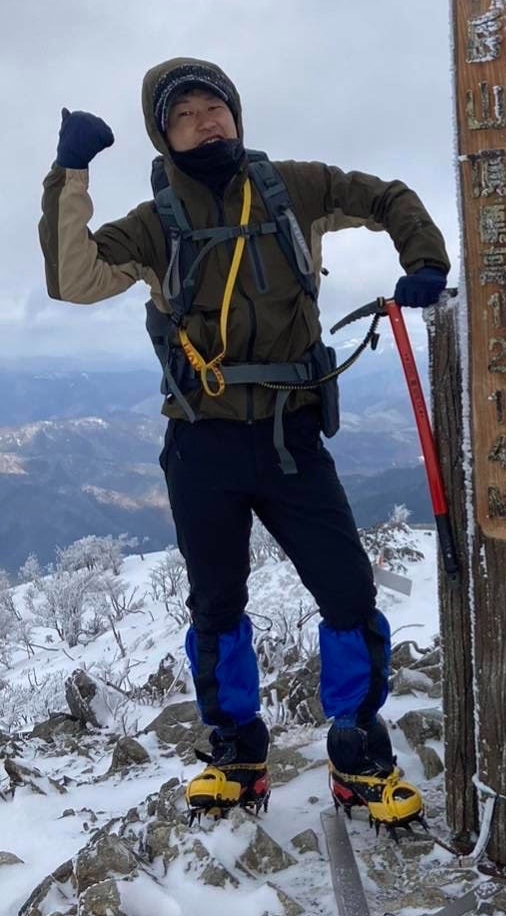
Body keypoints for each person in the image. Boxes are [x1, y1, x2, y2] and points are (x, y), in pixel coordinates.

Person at [39, 57, 450, 832]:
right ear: (163, 134)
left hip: (292, 434)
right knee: (216, 606)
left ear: (236, 113)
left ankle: (358, 745)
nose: (206, 121)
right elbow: (74, 277)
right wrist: (70, 172)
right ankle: (235, 748)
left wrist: (424, 259)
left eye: (215, 106)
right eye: (185, 113)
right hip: (202, 444)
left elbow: (388, 196)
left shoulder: (294, 185)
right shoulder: (155, 221)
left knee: (348, 594)